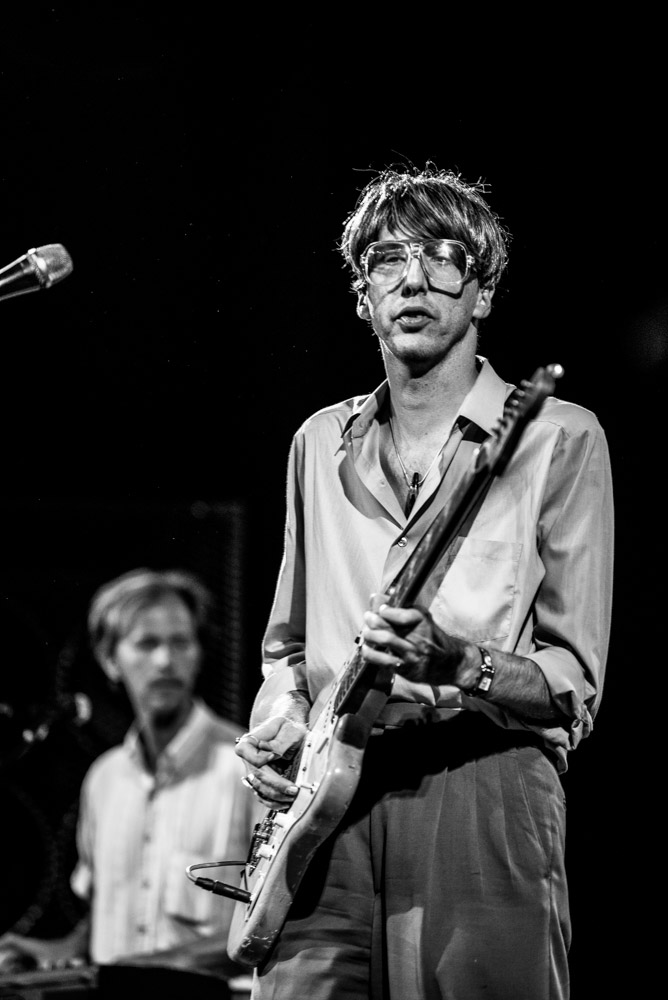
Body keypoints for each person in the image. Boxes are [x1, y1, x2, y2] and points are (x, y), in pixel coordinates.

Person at [234, 165, 614, 1000]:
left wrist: (461, 663)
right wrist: (279, 722)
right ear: (361, 295)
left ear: (481, 294)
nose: (413, 279)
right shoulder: (317, 442)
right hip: (328, 798)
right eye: (384, 260)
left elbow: (573, 683)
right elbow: (286, 651)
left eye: (444, 258)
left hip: (482, 780)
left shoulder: (557, 437)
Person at [0, 568, 258, 981]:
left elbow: (270, 926)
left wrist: (136, 973)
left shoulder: (247, 766)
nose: (165, 660)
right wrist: (54, 951)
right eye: (147, 643)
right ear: (109, 660)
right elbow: (102, 918)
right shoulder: (104, 780)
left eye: (180, 642)